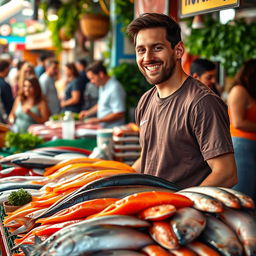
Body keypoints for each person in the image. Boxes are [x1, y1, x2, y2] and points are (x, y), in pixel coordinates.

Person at [127, 13, 237, 188]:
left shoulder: (202, 102)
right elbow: (150, 157)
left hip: (184, 213)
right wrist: (117, 179)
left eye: (157, 48)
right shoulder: (145, 101)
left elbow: (225, 173)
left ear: (178, 50)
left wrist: (180, 204)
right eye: (141, 50)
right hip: (152, 208)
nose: (147, 58)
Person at [228, 59, 256, 200]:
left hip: (250, 145)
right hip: (241, 145)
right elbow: (238, 122)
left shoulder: (250, 92)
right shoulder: (239, 90)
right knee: (243, 193)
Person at [79, 61, 126, 128]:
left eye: (92, 78)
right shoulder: (102, 86)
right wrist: (87, 113)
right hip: (104, 128)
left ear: (101, 74)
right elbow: (101, 104)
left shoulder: (115, 88)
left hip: (112, 130)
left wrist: (98, 120)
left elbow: (119, 113)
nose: (91, 82)